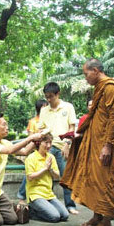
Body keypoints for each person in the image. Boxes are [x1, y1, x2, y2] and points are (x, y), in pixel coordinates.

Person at [61, 58, 114, 226]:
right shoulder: (99, 88)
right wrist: (81, 133)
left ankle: (106, 222)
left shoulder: (111, 87)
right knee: (95, 180)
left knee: (105, 179)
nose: (85, 77)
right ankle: (97, 217)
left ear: (96, 70)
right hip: (95, 141)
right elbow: (96, 116)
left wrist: (108, 145)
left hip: (106, 143)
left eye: (86, 73)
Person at [38, 82, 79, 215]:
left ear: (58, 94)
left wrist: (67, 143)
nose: (49, 100)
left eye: (51, 96)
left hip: (63, 146)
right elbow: (41, 128)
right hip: (48, 147)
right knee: (44, 173)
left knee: (65, 176)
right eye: (46, 97)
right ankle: (45, 201)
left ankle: (70, 205)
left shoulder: (68, 107)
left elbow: (72, 128)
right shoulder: (44, 110)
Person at [25, 133, 69, 222]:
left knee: (65, 215)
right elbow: (30, 177)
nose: (49, 146)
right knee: (55, 217)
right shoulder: (31, 157)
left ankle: (45, 208)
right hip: (35, 195)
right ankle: (31, 211)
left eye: (50, 142)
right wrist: (45, 169)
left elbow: (57, 176)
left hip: (49, 194)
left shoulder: (51, 157)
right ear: (39, 143)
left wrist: (50, 169)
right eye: (46, 143)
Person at [17, 99, 48, 203]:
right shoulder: (33, 121)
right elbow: (31, 137)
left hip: (47, 150)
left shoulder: (49, 121)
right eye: (43, 106)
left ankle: (45, 196)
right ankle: (22, 196)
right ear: (38, 108)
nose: (45, 108)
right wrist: (38, 136)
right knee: (30, 173)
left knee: (46, 173)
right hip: (35, 150)